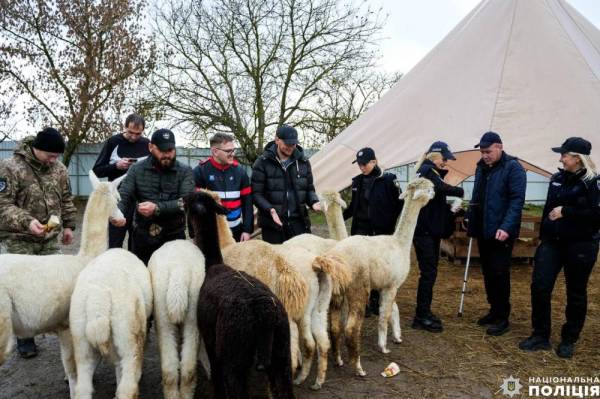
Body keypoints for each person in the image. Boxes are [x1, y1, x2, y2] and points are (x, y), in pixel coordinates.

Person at [519, 137, 599, 358]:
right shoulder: (556, 178)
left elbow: (597, 215)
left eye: (565, 154)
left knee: (575, 292)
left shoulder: (593, 183)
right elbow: (547, 210)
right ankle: (540, 335)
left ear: (578, 158)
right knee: (540, 286)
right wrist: (542, 237)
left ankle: (569, 339)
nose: (561, 158)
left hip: (581, 245)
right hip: (552, 243)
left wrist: (567, 211)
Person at [0, 128, 77, 358]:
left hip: (49, 238)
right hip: (18, 239)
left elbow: (66, 200)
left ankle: (53, 324)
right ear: (37, 148)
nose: (54, 160)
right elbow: (2, 205)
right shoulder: (10, 167)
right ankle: (25, 337)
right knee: (23, 290)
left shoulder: (59, 169)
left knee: (52, 286)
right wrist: (27, 221)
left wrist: (69, 226)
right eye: (51, 155)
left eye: (57, 156)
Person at [466, 131, 526, 336]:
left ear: (499, 147)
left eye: (488, 151)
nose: (484, 155)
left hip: (501, 231)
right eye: (482, 152)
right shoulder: (481, 168)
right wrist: (471, 218)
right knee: (488, 272)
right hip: (484, 229)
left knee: (500, 273)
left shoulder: (513, 168)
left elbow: (516, 201)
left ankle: (502, 317)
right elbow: (477, 196)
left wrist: (506, 227)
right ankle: (493, 310)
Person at [113, 128, 194, 265]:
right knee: (141, 278)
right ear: (151, 147)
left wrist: (157, 208)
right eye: (162, 151)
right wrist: (118, 213)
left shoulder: (185, 171)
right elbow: (124, 195)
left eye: (170, 150)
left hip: (173, 236)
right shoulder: (136, 169)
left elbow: (186, 202)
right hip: (143, 237)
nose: (167, 155)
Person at [342, 147, 403, 316]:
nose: (361, 167)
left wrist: (392, 225)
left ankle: (376, 300)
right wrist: (338, 215)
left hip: (380, 232)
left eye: (364, 164)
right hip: (361, 230)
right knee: (361, 266)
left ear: (374, 162)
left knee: (377, 265)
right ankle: (363, 301)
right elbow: (353, 207)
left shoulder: (388, 180)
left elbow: (400, 205)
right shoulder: (357, 182)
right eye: (359, 164)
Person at [412, 142, 464, 332]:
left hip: (427, 231)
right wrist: (459, 192)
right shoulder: (427, 170)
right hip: (424, 233)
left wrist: (452, 210)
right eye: (444, 159)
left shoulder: (425, 170)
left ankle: (424, 311)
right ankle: (421, 316)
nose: (446, 163)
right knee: (428, 273)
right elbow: (440, 187)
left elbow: (435, 200)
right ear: (435, 156)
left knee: (429, 273)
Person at [252, 125, 321, 244]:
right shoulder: (262, 162)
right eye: (287, 144)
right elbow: (256, 194)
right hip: (273, 225)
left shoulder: (303, 162)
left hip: (298, 223)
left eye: (293, 144)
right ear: (277, 140)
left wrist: (314, 201)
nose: (290, 147)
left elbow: (309, 189)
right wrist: (270, 210)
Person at [92, 113, 150, 249]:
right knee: (114, 243)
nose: (134, 137)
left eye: (138, 133)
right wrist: (115, 166)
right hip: (117, 201)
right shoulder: (113, 142)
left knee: (138, 246)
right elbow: (97, 170)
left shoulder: (147, 144)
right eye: (130, 132)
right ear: (124, 127)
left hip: (140, 201)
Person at [193, 133, 253, 242]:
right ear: (215, 151)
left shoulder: (240, 172)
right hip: (211, 232)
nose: (232, 154)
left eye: (233, 150)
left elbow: (247, 203)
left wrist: (247, 230)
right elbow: (193, 205)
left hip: (236, 231)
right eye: (228, 151)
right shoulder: (200, 171)